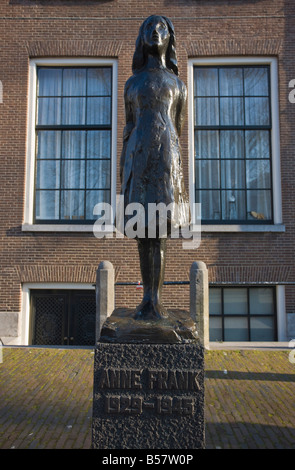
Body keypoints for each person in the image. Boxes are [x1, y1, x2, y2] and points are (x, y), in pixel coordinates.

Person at [120, 15, 190, 320]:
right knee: (141, 231)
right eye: (148, 27)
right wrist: (124, 172)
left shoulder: (178, 85)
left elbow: (177, 128)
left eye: (162, 27)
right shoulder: (131, 84)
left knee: (159, 231)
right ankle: (146, 297)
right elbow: (129, 127)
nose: (155, 31)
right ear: (141, 38)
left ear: (170, 38)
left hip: (164, 162)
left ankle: (155, 300)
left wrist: (176, 176)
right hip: (138, 160)